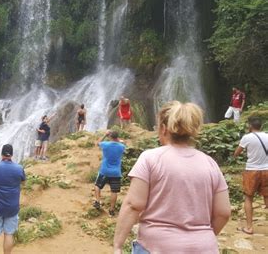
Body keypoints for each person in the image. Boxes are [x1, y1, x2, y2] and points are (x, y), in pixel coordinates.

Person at [113, 101, 231, 254]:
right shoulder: (210, 164)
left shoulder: (150, 158)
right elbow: (224, 212)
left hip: (157, 247)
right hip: (204, 248)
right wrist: (200, 237)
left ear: (163, 129)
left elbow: (133, 205)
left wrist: (118, 245)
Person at [0, 144, 26, 254]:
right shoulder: (19, 168)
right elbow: (23, 182)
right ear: (12, 155)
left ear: (2, 154)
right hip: (12, 207)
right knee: (9, 234)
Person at [233, 116, 268, 235]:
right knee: (267, 197)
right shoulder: (267, 136)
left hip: (252, 171)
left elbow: (237, 153)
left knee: (248, 197)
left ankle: (249, 227)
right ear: (261, 126)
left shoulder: (247, 137)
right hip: (266, 170)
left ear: (250, 126)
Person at [93, 131, 125, 216]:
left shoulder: (105, 145)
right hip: (116, 173)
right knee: (114, 191)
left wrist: (105, 135)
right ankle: (111, 210)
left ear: (110, 137)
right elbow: (122, 142)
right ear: (117, 137)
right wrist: (118, 140)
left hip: (104, 171)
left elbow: (97, 143)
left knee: (97, 185)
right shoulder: (121, 147)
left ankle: (98, 201)